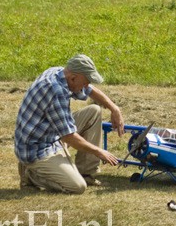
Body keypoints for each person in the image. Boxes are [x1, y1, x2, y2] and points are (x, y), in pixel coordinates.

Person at [14, 54, 124, 193]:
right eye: (84, 83)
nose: (86, 87)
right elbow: (69, 137)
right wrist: (99, 151)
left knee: (94, 111)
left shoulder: (60, 72)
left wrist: (114, 109)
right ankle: (30, 174)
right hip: (36, 149)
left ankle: (86, 173)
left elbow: (90, 90)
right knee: (77, 187)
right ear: (73, 78)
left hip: (48, 133)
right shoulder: (55, 90)